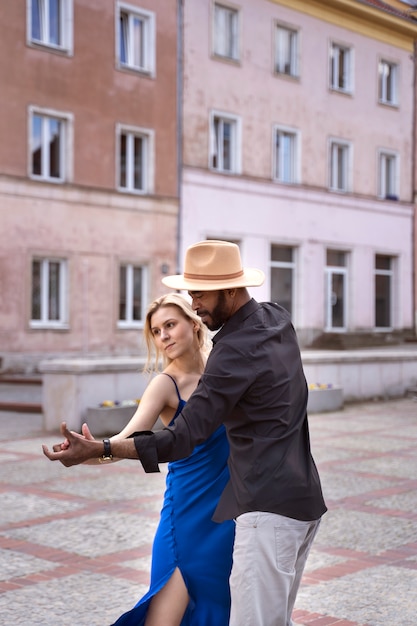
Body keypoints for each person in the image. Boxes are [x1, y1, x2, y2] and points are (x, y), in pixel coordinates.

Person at [43, 240, 327, 626]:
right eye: (191, 294)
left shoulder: (230, 355)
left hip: (263, 511)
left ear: (230, 288)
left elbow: (181, 439)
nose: (195, 303)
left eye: (199, 294)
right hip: (299, 502)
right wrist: (99, 450)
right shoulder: (278, 320)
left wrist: (104, 447)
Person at [54, 293, 235, 626]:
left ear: (194, 325)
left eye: (170, 325)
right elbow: (126, 443)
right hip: (186, 514)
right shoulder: (164, 385)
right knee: (163, 618)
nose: (163, 336)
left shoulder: (222, 369)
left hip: (226, 517)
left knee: (217, 609)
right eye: (156, 331)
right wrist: (87, 453)